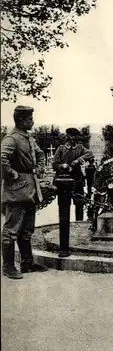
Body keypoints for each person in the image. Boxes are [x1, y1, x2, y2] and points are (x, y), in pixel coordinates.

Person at [1, 106, 48, 279]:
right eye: (29, 119)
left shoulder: (28, 138)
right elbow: (2, 158)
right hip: (16, 191)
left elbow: (41, 154)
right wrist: (11, 173)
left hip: (30, 189)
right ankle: (7, 267)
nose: (32, 122)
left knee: (27, 230)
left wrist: (40, 167)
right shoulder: (11, 139)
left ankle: (27, 264)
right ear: (21, 121)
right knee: (11, 230)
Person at [52, 128, 94, 221]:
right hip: (63, 181)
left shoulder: (80, 148)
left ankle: (78, 224)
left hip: (77, 180)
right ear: (67, 136)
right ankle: (64, 226)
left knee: (79, 204)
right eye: (71, 136)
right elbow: (55, 164)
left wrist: (77, 161)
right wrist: (63, 166)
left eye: (74, 136)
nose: (73, 138)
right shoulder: (61, 149)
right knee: (64, 205)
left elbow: (90, 154)